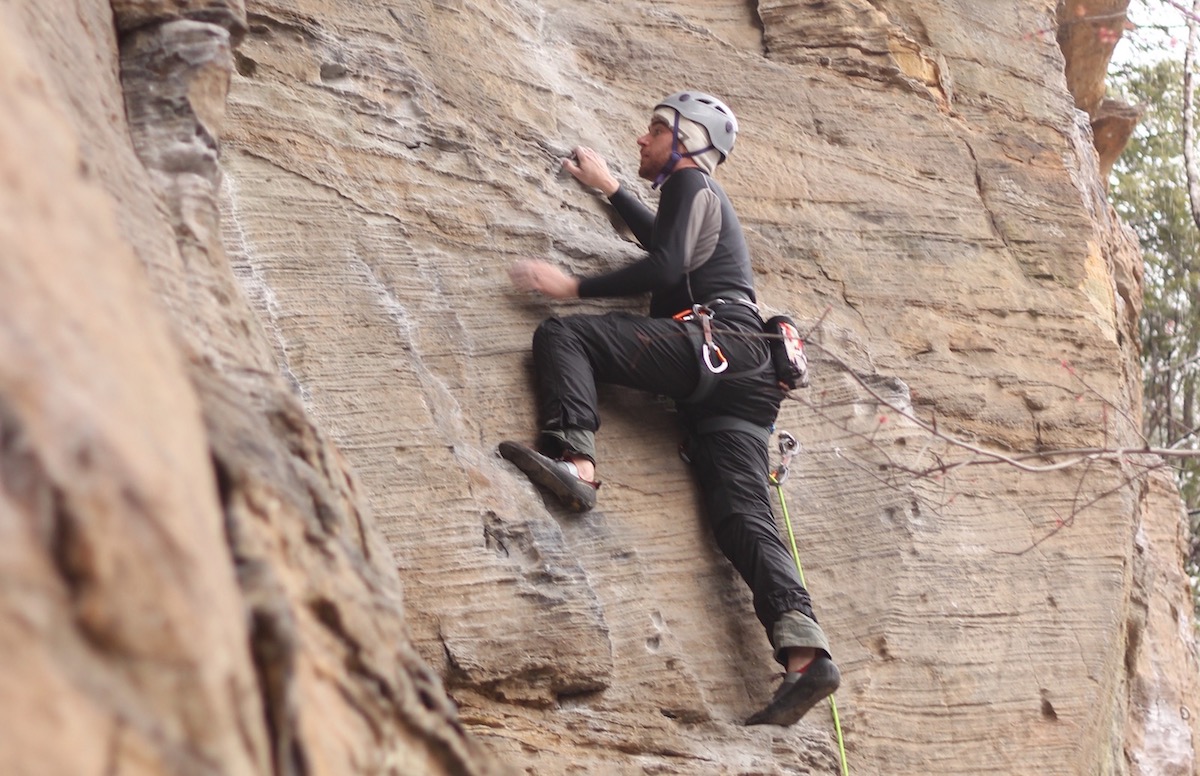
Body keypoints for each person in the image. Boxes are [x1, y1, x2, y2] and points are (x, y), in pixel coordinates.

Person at [500, 91, 839, 726]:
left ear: (688, 140)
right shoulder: (701, 202)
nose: (643, 140)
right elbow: (674, 249)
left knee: (565, 334)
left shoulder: (689, 180)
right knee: (742, 514)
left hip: (713, 346)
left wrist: (571, 286)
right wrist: (611, 191)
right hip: (749, 375)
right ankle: (804, 653)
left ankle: (576, 461)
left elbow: (666, 265)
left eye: (656, 128)